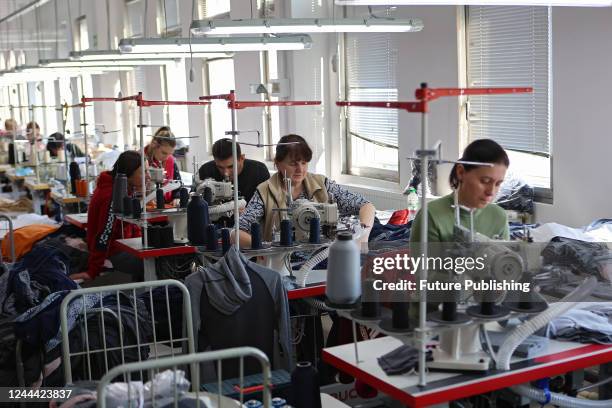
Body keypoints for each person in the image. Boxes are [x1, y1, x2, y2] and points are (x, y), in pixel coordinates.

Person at [236, 134, 376, 247]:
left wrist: (363, 239)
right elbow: (236, 233)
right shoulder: (265, 191)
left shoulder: (322, 184)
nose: (300, 169)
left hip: (324, 255)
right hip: (287, 261)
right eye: (293, 164)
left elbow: (366, 206)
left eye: (304, 163)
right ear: (278, 163)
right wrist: (263, 250)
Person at [410, 138, 510, 244]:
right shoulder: (430, 216)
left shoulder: (499, 217)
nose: (491, 191)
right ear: (461, 172)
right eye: (485, 181)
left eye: (498, 183)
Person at [70, 150, 149, 282]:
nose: (149, 176)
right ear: (128, 174)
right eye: (144, 172)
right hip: (114, 253)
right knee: (156, 263)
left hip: (122, 245)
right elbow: (104, 235)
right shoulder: (113, 196)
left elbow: (131, 225)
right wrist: (92, 271)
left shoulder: (118, 187)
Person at [198, 138, 270, 203]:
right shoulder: (206, 170)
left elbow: (267, 206)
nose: (226, 173)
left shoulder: (259, 171)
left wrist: (248, 213)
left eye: (231, 166)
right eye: (220, 167)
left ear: (241, 158)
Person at [145, 126, 181, 203]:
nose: (166, 157)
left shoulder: (170, 160)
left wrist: (177, 197)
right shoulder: (140, 159)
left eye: (170, 154)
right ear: (154, 144)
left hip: (167, 205)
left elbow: (178, 184)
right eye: (164, 153)